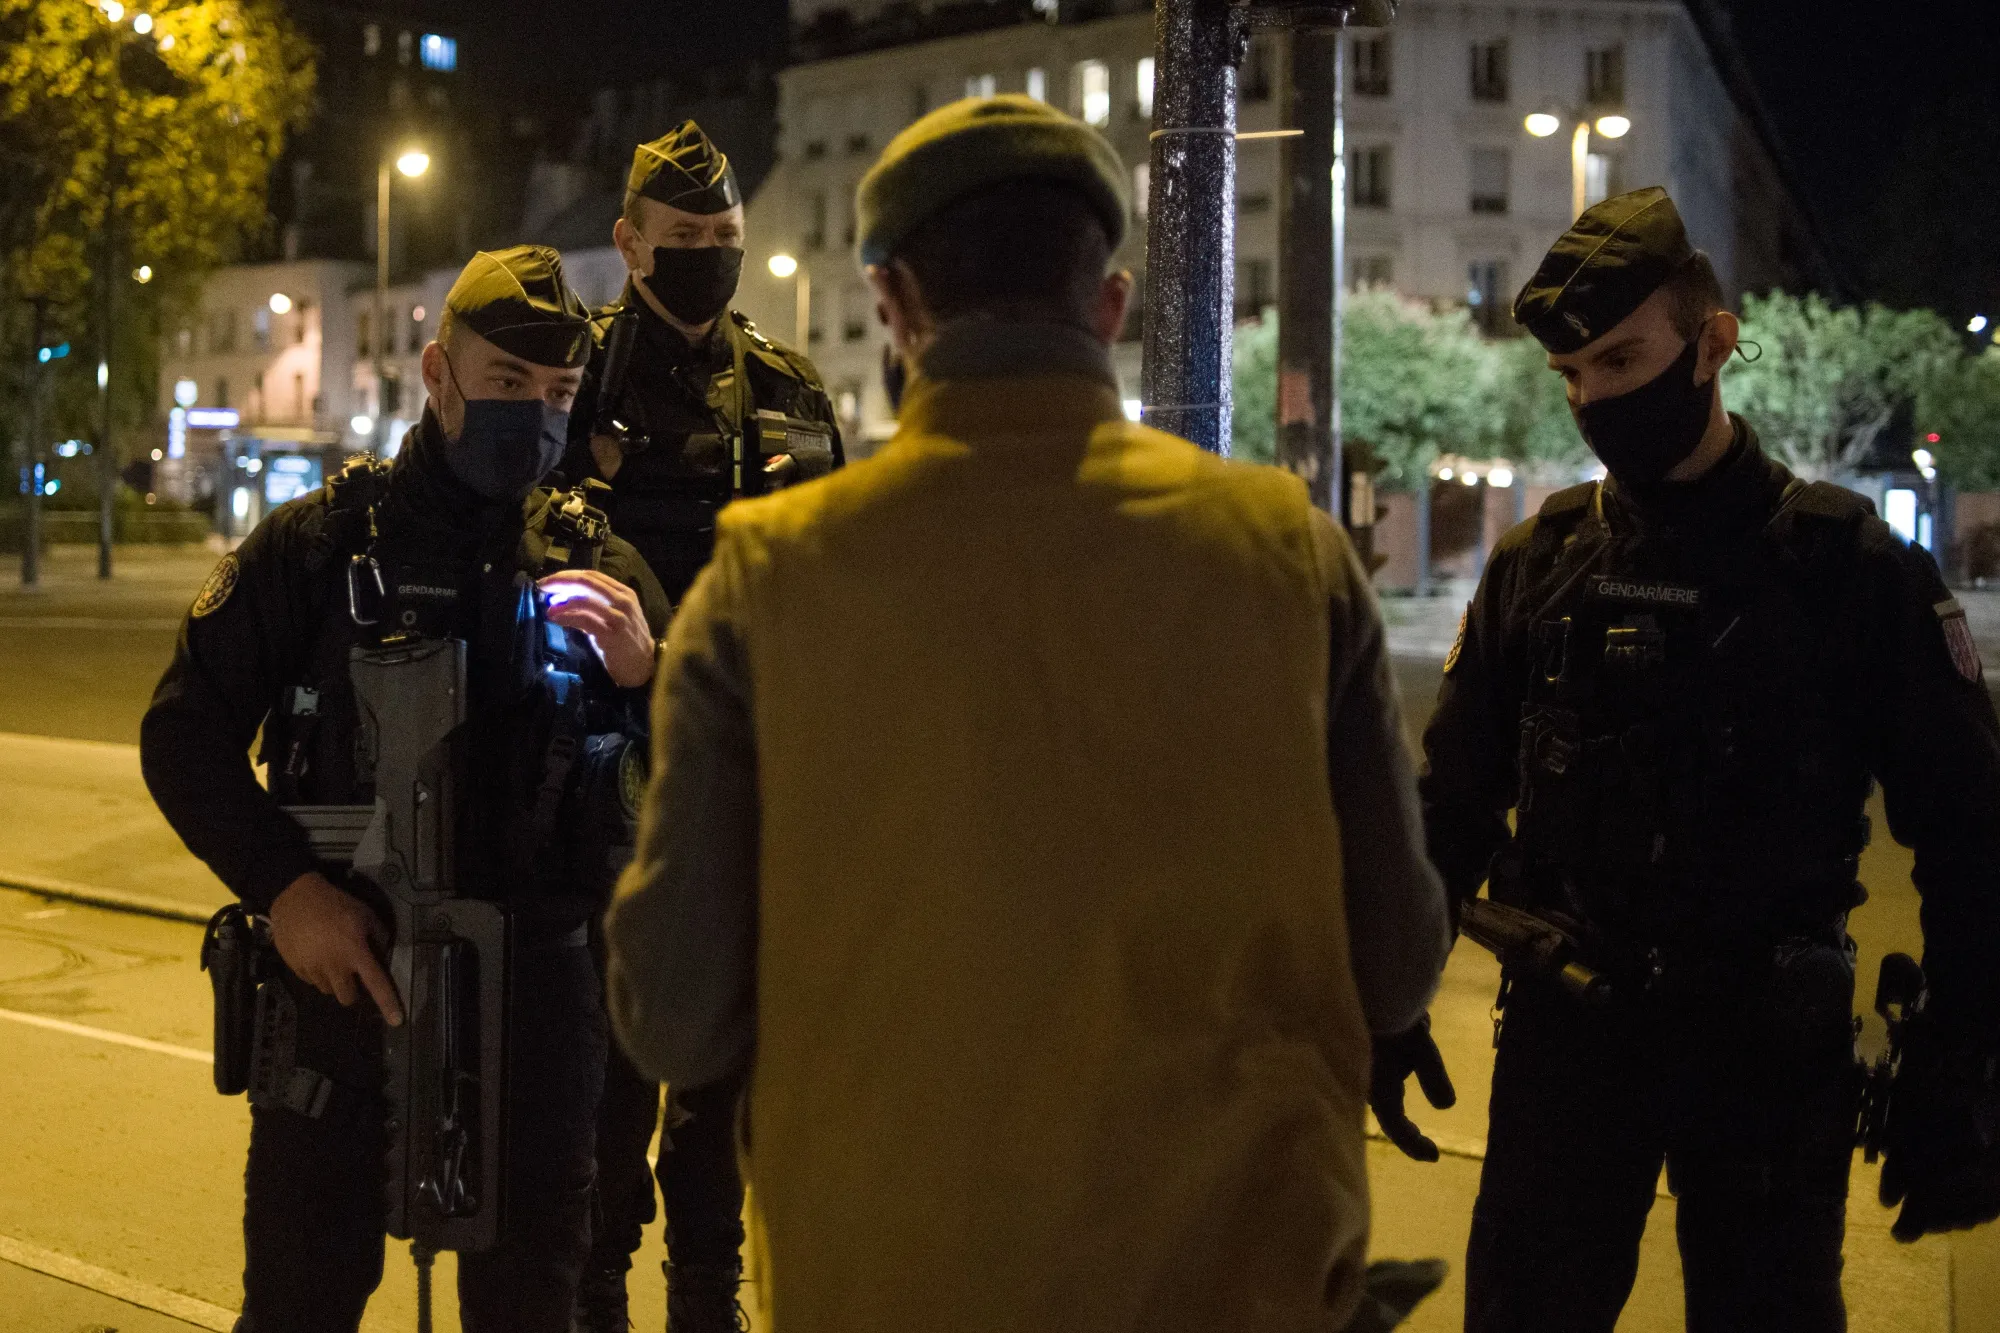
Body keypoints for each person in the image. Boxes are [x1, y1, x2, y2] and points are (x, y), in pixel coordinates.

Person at [602, 94, 1452, 1332]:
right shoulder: (1287, 555)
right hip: (1228, 1281)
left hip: (890, 1280)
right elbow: (1397, 961)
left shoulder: (767, 576)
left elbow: (671, 1008)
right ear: (1108, 305)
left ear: (891, 306)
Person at [1400, 187, 2000, 1332]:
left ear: (1711, 342)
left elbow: (1971, 838)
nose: (1595, 399)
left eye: (1621, 359)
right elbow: (1451, 804)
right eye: (1570, 374)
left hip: (1765, 1060)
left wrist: (1959, 1061)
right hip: (1566, 1047)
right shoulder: (1542, 561)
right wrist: (1384, 999)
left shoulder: (1850, 571)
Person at [141, 245, 670, 1333]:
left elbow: (698, 796)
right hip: (347, 992)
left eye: (560, 394)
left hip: (541, 1010)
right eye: (507, 385)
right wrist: (286, 891)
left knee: (539, 1309)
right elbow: (181, 737)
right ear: (438, 374)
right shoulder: (322, 544)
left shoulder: (597, 564)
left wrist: (650, 682)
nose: (534, 415)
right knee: (300, 1300)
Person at [560, 119, 843, 1333]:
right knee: (609, 1083)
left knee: (724, 1084)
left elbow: (837, 587)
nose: (710, 259)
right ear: (628, 245)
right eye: (685, 241)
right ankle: (598, 1291)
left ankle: (704, 1298)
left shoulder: (786, 389)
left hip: (750, 794)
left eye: (725, 240)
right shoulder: (572, 382)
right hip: (598, 793)